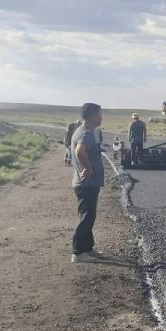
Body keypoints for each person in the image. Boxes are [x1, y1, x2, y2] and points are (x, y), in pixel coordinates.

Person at [70, 102, 105, 264]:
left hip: (86, 183)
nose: (101, 117)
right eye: (99, 114)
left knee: (89, 215)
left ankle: (88, 248)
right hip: (86, 183)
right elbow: (80, 151)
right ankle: (78, 252)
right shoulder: (86, 133)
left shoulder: (83, 131)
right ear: (91, 116)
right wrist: (88, 168)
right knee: (86, 216)